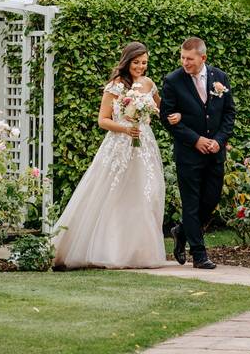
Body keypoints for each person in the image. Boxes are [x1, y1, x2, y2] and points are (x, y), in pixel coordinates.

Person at [51, 41, 179, 269]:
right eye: (137, 62)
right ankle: (109, 250)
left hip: (145, 145)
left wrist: (172, 116)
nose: (141, 67)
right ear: (127, 61)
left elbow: (161, 110)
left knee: (146, 194)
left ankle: (141, 253)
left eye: (144, 63)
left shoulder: (149, 84)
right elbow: (103, 120)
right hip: (120, 144)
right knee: (114, 195)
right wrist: (125, 128)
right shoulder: (115, 86)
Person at [160, 37, 236, 269]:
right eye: (182, 58)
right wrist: (196, 140)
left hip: (215, 153)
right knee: (191, 203)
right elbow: (166, 117)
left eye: (190, 59)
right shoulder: (173, 81)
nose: (185, 63)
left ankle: (181, 231)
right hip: (188, 154)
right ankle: (199, 254)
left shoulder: (219, 78)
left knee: (211, 199)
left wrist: (218, 141)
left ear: (203, 58)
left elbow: (229, 114)